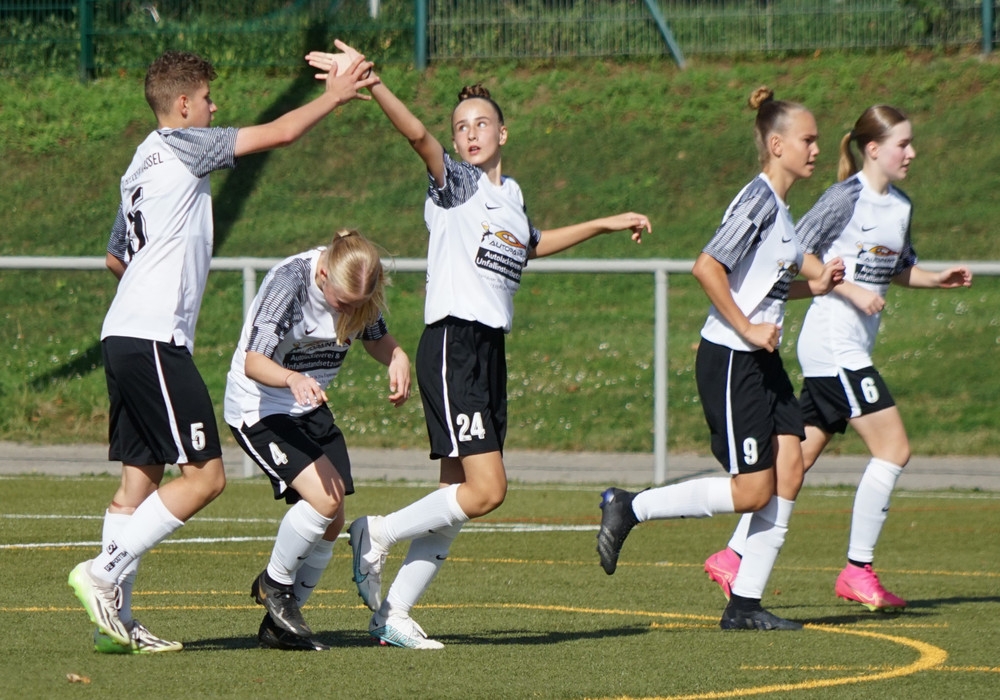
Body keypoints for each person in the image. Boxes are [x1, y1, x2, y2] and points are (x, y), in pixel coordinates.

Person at [305, 40, 652, 649]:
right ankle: (377, 533)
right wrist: (375, 83)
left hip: (488, 349)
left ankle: (394, 614)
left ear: (502, 132)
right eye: (461, 127)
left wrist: (605, 222)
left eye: (481, 124)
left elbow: (533, 244)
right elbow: (418, 137)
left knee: (456, 494)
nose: (470, 134)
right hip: (453, 344)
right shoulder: (456, 185)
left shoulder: (509, 196)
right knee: (488, 490)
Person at [68, 48, 379, 654]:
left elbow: (115, 257)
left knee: (138, 482)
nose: (216, 108)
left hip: (122, 334)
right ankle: (102, 572)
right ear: (183, 105)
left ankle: (115, 625)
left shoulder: (139, 163)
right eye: (209, 99)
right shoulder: (184, 144)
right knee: (206, 477)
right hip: (154, 338)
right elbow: (280, 133)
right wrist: (334, 96)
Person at [703, 105, 972, 612]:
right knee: (893, 449)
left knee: (795, 461)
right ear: (873, 149)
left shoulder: (900, 207)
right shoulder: (843, 200)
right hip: (832, 343)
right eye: (902, 144)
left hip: (851, 347)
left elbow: (896, 268)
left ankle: (732, 556)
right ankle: (857, 569)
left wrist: (936, 279)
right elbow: (791, 255)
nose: (911, 153)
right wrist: (847, 291)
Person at [596, 87, 845, 631]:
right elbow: (707, 267)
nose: (816, 150)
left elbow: (765, 288)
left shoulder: (781, 211)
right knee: (752, 490)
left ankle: (745, 604)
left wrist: (817, 285)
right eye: (808, 140)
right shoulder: (758, 201)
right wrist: (748, 328)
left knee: (789, 471)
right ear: (776, 145)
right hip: (732, 358)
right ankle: (629, 506)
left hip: (762, 361)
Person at [224, 229, 410, 651]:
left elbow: (377, 339)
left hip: (308, 403)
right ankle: (275, 586)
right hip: (260, 407)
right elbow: (254, 361)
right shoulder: (289, 284)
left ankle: (279, 629)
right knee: (325, 501)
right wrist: (292, 379)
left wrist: (397, 356)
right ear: (323, 274)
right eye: (343, 304)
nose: (350, 312)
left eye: (358, 305)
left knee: (334, 517)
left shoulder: (359, 289)